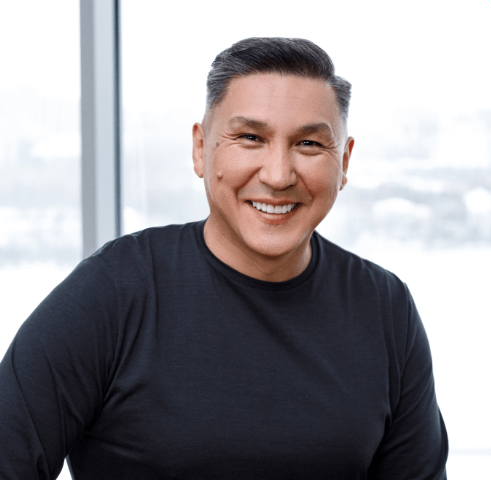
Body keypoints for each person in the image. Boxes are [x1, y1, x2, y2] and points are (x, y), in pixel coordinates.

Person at [0, 37, 448, 479]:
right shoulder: (113, 292)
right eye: (250, 138)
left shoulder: (385, 308)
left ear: (344, 162)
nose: (278, 175)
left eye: (309, 144)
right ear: (201, 149)